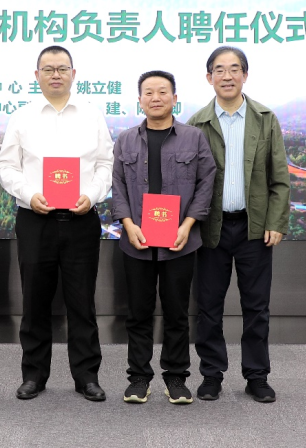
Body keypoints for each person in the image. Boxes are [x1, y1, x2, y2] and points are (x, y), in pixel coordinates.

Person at [0, 45, 114, 402]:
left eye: (62, 68)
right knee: (35, 301)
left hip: (81, 219)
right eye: (48, 69)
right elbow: (7, 166)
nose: (56, 75)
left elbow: (105, 164)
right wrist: (29, 194)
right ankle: (34, 375)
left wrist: (91, 195)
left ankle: (86, 376)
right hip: (36, 219)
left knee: (82, 302)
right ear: (37, 76)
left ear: (73, 74)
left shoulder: (92, 115)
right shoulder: (22, 116)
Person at [187, 46, 291, 403]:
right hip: (211, 229)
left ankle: (257, 376)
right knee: (208, 307)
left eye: (234, 69)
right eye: (219, 69)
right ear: (209, 77)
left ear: (245, 75)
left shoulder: (265, 118)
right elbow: (188, 181)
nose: (227, 76)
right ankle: (211, 375)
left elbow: (279, 178)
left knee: (257, 307)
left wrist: (276, 221)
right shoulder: (197, 123)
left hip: (254, 228)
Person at [111, 70, 216, 405]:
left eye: (162, 92)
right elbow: (117, 186)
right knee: (138, 313)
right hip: (137, 239)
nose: (155, 98)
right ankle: (139, 377)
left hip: (180, 241)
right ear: (139, 100)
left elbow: (206, 181)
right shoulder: (126, 139)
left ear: (175, 98)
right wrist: (128, 224)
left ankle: (176, 377)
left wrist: (188, 225)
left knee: (176, 312)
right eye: (148, 92)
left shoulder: (193, 138)